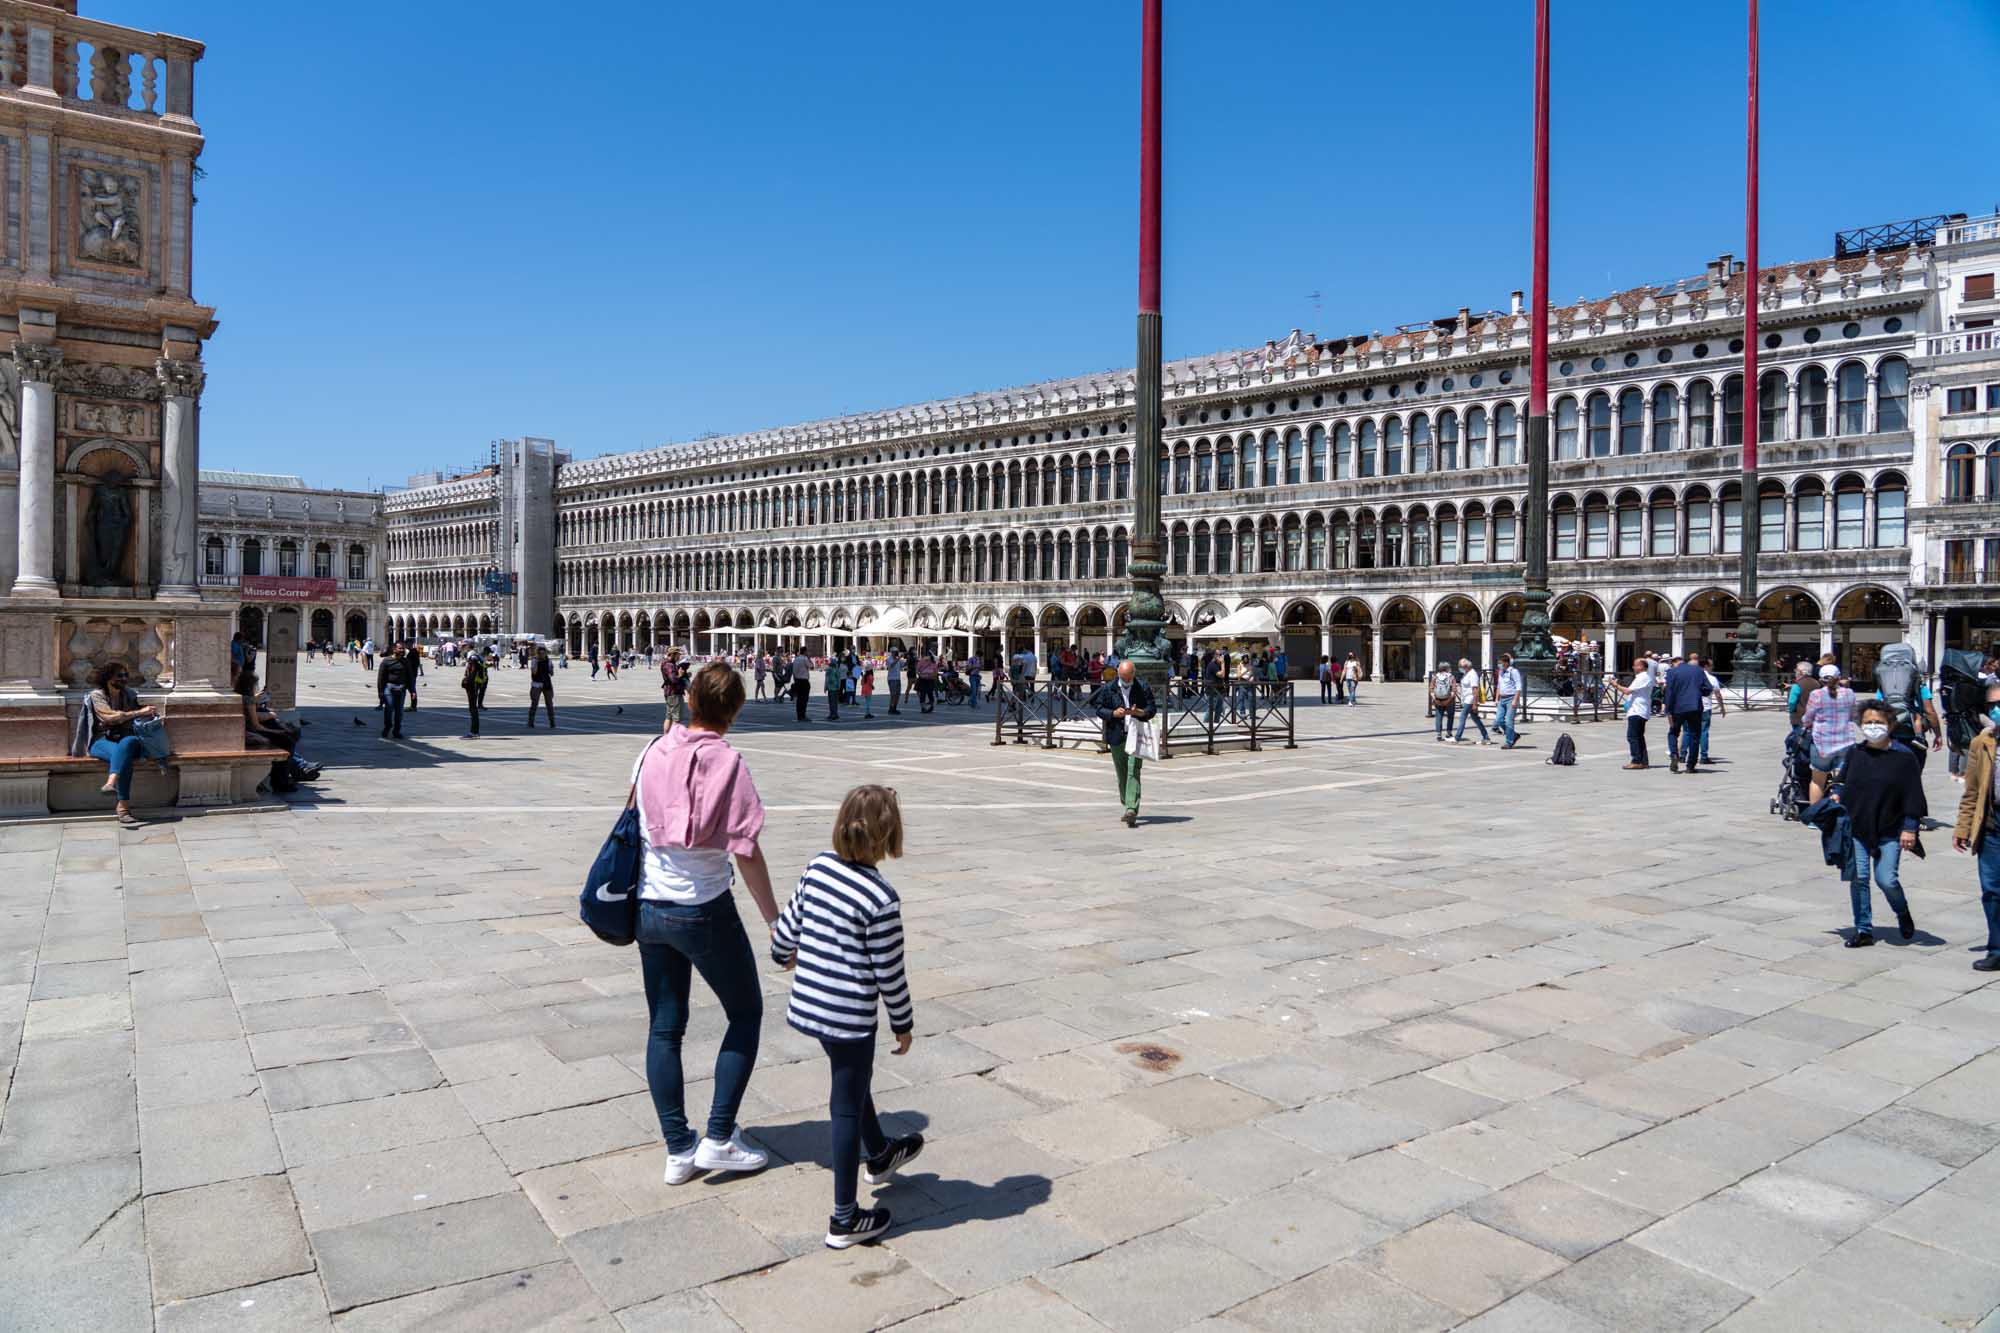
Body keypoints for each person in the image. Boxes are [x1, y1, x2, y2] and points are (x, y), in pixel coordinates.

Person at [630, 662, 780, 1185]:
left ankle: (677, 1149)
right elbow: (746, 849)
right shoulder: (729, 762)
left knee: (665, 1027)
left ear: (690, 699)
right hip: (704, 908)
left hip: (649, 906)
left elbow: (635, 822)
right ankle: (718, 1136)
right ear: (735, 711)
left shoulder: (649, 751)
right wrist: (773, 919)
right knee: (745, 1013)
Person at [768, 786, 921, 1249]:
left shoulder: (818, 867)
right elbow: (889, 972)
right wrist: (903, 1022)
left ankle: (879, 1153)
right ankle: (844, 1217)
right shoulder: (880, 898)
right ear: (888, 835)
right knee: (845, 1102)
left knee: (850, 1080)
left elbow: (787, 928)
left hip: (811, 1005)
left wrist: (780, 954)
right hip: (850, 1015)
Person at [1834, 701, 1924, 948]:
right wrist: (1836, 793)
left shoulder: (1904, 758)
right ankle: (1863, 929)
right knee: (1859, 878)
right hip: (1857, 826)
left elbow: (1913, 795)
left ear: (1891, 725)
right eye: (1868, 723)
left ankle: (1902, 911)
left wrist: (1910, 827)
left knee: (1886, 879)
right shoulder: (1855, 753)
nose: (1873, 727)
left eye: (1879, 722)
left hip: (1891, 828)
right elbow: (1842, 781)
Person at [1951, 680, 2000, 971]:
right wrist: (1962, 827)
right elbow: (1971, 791)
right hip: (1993, 824)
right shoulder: (1982, 743)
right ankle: (1997, 948)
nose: (1997, 710)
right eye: (1993, 705)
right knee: (1992, 890)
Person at [77, 661, 159, 826]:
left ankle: (111, 782)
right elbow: (108, 717)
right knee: (124, 757)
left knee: (128, 743)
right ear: (108, 678)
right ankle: (123, 808)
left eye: (126, 675)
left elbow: (135, 717)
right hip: (101, 740)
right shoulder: (97, 695)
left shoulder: (129, 694)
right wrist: (137, 713)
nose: (124, 679)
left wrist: (147, 714)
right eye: (119, 676)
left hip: (126, 739)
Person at [1091, 661, 1157, 827]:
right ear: (1118, 674)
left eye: (1129, 678)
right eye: (1123, 678)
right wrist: (1113, 713)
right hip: (1117, 734)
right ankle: (1126, 800)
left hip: (1136, 734)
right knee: (1122, 773)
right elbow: (1099, 708)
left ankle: (1131, 809)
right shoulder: (1109, 688)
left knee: (1133, 770)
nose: (1127, 681)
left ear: (1134, 674)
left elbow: (1152, 708)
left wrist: (1139, 712)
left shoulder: (1142, 686)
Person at [1800, 665, 1860, 803]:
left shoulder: (1816, 695)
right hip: (1845, 742)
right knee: (1842, 780)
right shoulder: (1849, 693)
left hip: (1822, 743)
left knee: (1817, 781)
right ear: (1839, 678)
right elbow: (1854, 715)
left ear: (1821, 679)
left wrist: (1806, 723)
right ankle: (1841, 812)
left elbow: (1807, 718)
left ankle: (1816, 817)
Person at [1662, 653, 1711, 774]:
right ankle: (1690, 766)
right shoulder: (1698, 671)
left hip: (1678, 708)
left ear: (1674, 663)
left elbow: (1669, 692)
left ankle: (1674, 754)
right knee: (1695, 735)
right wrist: (1698, 693)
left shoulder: (1672, 672)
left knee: (1673, 732)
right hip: (1695, 707)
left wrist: (1668, 709)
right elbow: (1708, 688)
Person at [1613, 654, 1655, 769]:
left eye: (1635, 665)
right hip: (1639, 710)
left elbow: (1627, 691)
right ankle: (1643, 761)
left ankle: (1636, 760)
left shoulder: (1642, 677)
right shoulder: (1643, 677)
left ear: (1641, 666)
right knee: (1639, 736)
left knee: (1633, 736)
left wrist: (1616, 685)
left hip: (1638, 710)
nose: (1633, 667)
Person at [1454, 659, 1491, 745]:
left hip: (1470, 700)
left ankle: (1457, 737)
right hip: (1466, 699)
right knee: (1476, 719)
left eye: (1461, 666)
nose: (1460, 668)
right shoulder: (1466, 673)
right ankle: (1486, 737)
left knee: (1462, 717)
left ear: (1467, 666)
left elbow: (1475, 690)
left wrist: (1475, 704)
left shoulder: (1473, 674)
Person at [376, 644, 410, 739]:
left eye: (403, 648)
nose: (402, 650)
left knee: (399, 711)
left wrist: (412, 691)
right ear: (394, 649)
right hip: (389, 687)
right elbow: (381, 677)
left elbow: (409, 676)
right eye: (400, 648)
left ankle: (397, 730)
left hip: (401, 687)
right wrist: (380, 691)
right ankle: (387, 726)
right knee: (389, 707)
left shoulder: (405, 661)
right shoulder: (386, 661)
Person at [1698, 655, 1726, 763]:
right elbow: (1718, 695)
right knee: (1704, 732)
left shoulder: (1693, 675)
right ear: (1706, 666)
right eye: (1711, 665)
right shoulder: (1712, 678)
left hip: (1692, 707)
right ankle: (1704, 756)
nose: (1712, 667)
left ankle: (1683, 755)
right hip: (1705, 707)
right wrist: (1722, 708)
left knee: (1688, 731)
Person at [1494, 653, 1523, 749]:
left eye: (1500, 663)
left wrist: (1515, 700)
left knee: (1509, 721)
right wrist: (1496, 698)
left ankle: (1509, 741)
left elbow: (1519, 686)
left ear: (1506, 663)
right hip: (1502, 699)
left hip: (1511, 698)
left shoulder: (1513, 672)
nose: (1499, 665)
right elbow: (1499, 685)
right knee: (1499, 720)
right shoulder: (1501, 672)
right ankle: (1513, 735)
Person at [1429, 660, 1457, 741]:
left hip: (1438, 700)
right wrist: (1448, 700)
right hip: (1449, 701)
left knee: (1439, 717)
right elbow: (1454, 691)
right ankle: (1448, 733)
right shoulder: (1451, 677)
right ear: (1447, 668)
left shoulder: (1435, 676)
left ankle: (1439, 734)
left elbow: (1431, 689)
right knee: (1450, 716)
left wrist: (1435, 699)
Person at [528, 646, 556, 727]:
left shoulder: (549, 661)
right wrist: (536, 662)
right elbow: (534, 672)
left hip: (547, 684)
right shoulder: (534, 660)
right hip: (537, 684)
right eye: (540, 653)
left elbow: (551, 673)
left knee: (549, 704)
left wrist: (551, 668)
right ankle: (531, 722)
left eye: (543, 653)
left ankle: (552, 722)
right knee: (534, 703)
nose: (542, 655)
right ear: (537, 653)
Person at [461, 652, 489, 737]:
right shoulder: (477, 661)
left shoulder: (474, 663)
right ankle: (474, 732)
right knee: (473, 709)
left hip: (472, 687)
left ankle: (474, 732)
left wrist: (466, 681)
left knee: (473, 709)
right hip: (474, 686)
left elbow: (472, 675)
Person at [662, 651, 688, 732]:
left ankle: (666, 737)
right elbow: (673, 679)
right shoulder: (670, 665)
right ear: (673, 655)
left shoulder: (665, 663)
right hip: (674, 693)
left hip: (669, 692)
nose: (679, 657)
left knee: (668, 717)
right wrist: (680, 675)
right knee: (676, 718)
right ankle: (673, 738)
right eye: (677, 655)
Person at [791, 650, 813, 722]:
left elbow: (793, 671)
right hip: (804, 681)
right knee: (804, 699)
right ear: (805, 652)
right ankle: (803, 715)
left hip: (797, 680)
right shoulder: (805, 658)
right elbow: (811, 666)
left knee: (799, 699)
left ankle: (799, 715)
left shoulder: (796, 659)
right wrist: (809, 658)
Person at [823, 655, 842, 721]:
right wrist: (839, 686)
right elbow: (839, 679)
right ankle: (835, 714)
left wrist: (825, 687)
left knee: (831, 702)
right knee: (835, 702)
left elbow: (827, 679)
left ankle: (832, 714)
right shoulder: (837, 670)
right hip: (836, 687)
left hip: (830, 688)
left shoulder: (828, 670)